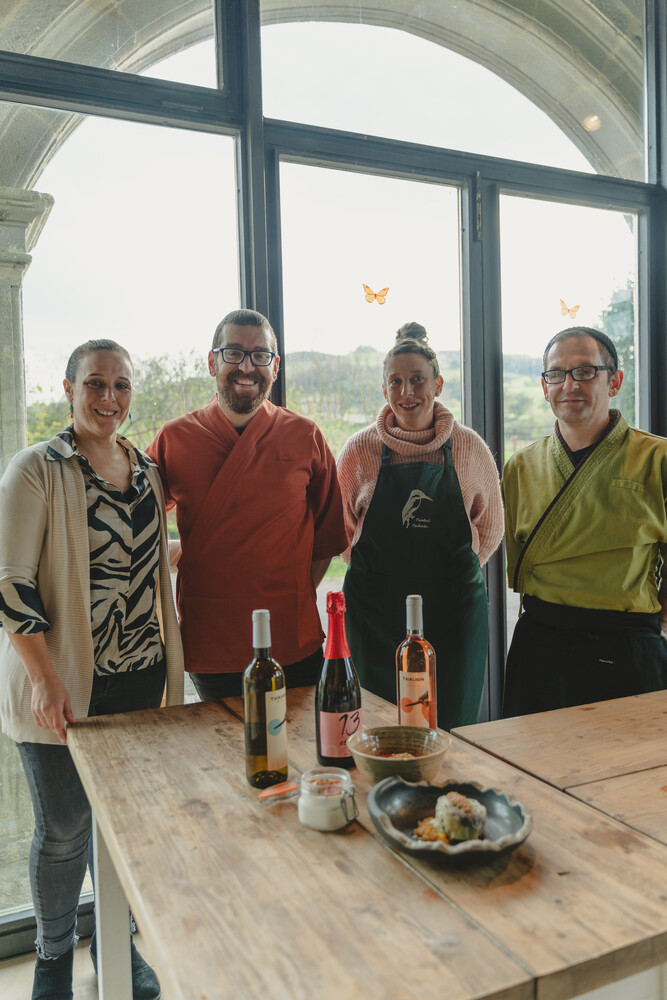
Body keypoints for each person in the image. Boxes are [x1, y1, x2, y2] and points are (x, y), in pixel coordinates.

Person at [0, 340, 184, 1000]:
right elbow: (11, 582)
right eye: (95, 384)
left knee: (125, 829)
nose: (109, 397)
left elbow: (140, 556)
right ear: (69, 389)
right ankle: (52, 960)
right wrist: (45, 679)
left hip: (139, 677)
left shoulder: (148, 470)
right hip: (63, 682)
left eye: (121, 385)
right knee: (63, 831)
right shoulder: (36, 468)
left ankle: (115, 945)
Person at [147, 309, 347, 698]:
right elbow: (137, 520)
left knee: (302, 736)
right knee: (222, 738)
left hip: (292, 635)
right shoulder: (175, 438)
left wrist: (293, 595)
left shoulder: (305, 435)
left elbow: (327, 537)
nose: (247, 366)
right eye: (234, 353)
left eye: (260, 355)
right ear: (212, 362)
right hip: (211, 638)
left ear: (276, 366)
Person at [337, 322, 504, 731]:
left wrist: (455, 571)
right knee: (377, 726)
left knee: (449, 725)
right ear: (384, 389)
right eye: (395, 381)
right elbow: (341, 533)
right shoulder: (359, 450)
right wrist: (377, 573)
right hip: (374, 613)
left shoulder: (468, 447)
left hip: (453, 611)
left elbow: (491, 528)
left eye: (417, 379)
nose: (406, 391)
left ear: (438, 384)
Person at [502, 325, 667, 717]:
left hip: (627, 643)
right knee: (531, 755)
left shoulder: (657, 458)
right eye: (556, 374)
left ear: (615, 381)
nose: (569, 385)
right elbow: (518, 561)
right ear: (544, 387)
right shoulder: (520, 466)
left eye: (584, 371)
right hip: (541, 642)